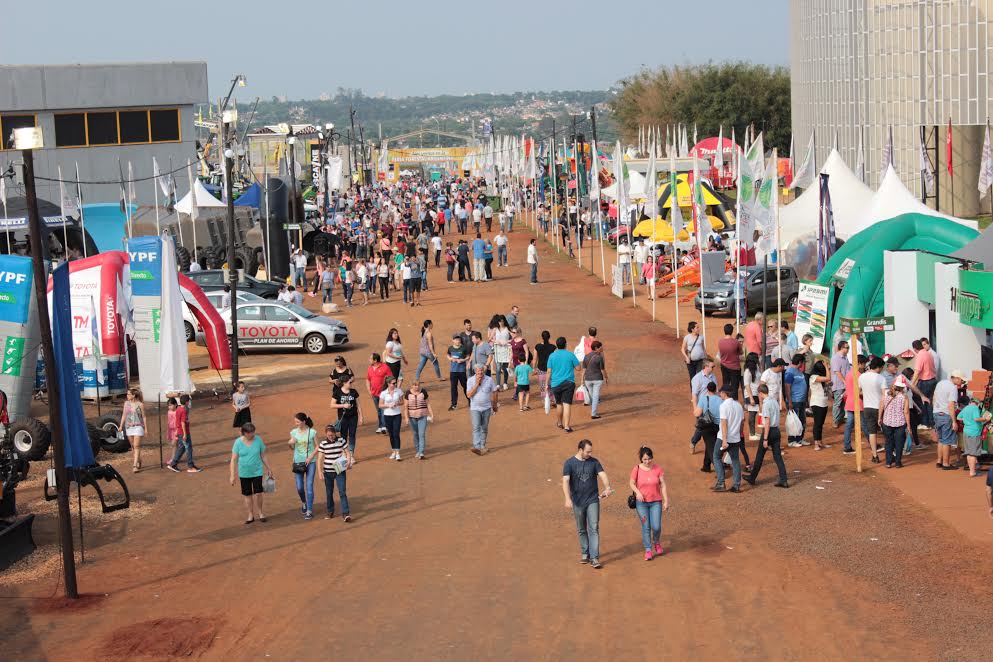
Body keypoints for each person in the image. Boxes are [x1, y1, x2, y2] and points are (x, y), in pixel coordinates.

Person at [562, 439, 613, 569]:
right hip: (578, 502)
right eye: (587, 451)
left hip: (592, 500)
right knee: (581, 528)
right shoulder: (569, 463)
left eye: (591, 451)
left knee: (594, 527)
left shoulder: (594, 462)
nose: (590, 454)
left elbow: (603, 475)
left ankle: (594, 557)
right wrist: (568, 498)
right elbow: (565, 481)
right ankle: (585, 553)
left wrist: (607, 487)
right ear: (580, 450)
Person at [744, 384, 789, 488]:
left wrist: (765, 438)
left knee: (759, 456)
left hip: (768, 432)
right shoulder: (774, 402)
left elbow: (767, 422)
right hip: (776, 431)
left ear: (760, 393)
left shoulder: (766, 404)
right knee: (777, 457)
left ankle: (752, 478)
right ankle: (784, 479)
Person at [629, 446, 670, 561]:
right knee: (646, 526)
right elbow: (632, 483)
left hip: (656, 502)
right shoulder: (636, 469)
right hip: (641, 503)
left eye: (649, 458)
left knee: (656, 526)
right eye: (645, 459)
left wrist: (666, 500)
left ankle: (656, 542)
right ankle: (648, 550)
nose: (647, 461)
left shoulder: (657, 469)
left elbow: (663, 485)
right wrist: (638, 493)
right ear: (641, 459)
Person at [229, 422, 273, 524]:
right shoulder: (238, 443)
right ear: (244, 433)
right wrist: (232, 475)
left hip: (257, 471)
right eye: (249, 433)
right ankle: (250, 515)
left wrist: (269, 468)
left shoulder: (258, 440)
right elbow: (233, 459)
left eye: (253, 432)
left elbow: (263, 455)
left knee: (258, 493)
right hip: (244, 473)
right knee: (247, 494)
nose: (252, 435)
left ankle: (261, 513)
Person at [317, 423, 353, 522]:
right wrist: (320, 472)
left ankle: (346, 514)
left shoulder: (341, 440)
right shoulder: (323, 443)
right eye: (328, 435)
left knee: (342, 492)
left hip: (339, 470)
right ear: (326, 434)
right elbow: (319, 459)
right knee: (329, 493)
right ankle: (330, 511)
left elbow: (347, 452)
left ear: (335, 433)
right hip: (328, 472)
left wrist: (349, 462)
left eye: (332, 435)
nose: (331, 437)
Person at [713, 385, 745, 493]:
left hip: (723, 438)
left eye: (721, 392)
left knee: (716, 457)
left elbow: (724, 423)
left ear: (724, 393)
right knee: (735, 461)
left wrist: (725, 440)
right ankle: (736, 485)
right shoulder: (738, 405)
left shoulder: (724, 406)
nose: (720, 394)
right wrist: (739, 433)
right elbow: (742, 422)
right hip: (735, 438)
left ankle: (721, 483)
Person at [288, 412, 318, 520]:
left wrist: (310, 457)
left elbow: (317, 447)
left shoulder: (312, 432)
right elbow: (292, 448)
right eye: (295, 421)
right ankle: (304, 502)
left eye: (297, 421)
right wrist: (290, 444)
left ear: (304, 421)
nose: (296, 423)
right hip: (298, 462)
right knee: (300, 487)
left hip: (311, 462)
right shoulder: (293, 432)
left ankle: (309, 510)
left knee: (309, 486)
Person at [547, 336, 580, 433]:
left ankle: (559, 422)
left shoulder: (552, 356)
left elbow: (549, 371)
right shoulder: (571, 355)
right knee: (567, 404)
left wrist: (546, 384)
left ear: (557, 345)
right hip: (569, 383)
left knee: (559, 404)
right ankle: (567, 426)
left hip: (555, 384)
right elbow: (578, 368)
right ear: (566, 344)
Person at [933, 370, 965, 470]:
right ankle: (946, 464)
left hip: (937, 413)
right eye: (961, 380)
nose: (962, 382)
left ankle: (939, 461)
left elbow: (934, 397)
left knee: (941, 439)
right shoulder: (953, 388)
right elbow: (951, 404)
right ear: (956, 378)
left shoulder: (940, 383)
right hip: (946, 414)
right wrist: (954, 421)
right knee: (947, 441)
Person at [879, 379, 912, 469]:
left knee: (888, 442)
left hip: (887, 422)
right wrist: (909, 425)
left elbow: (881, 406)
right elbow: (906, 412)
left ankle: (888, 462)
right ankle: (898, 462)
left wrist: (879, 418)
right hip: (900, 423)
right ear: (902, 388)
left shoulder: (886, 394)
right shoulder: (904, 397)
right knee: (899, 443)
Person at [859, 356, 886, 462]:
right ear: (879, 367)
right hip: (879, 407)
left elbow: (859, 391)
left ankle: (875, 455)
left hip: (867, 407)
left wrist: (865, 395)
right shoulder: (881, 378)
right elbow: (884, 395)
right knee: (887, 432)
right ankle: (891, 453)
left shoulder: (862, 377)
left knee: (872, 432)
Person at [466, 365, 498, 455]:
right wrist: (476, 384)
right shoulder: (470, 380)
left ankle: (482, 445)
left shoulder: (489, 380)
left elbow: (495, 392)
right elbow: (469, 395)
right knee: (476, 427)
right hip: (475, 408)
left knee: (484, 427)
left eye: (481, 371)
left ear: (484, 371)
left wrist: (495, 405)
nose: (480, 373)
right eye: (478, 371)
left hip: (487, 408)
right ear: (475, 371)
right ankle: (477, 446)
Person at [167, 393, 201, 473]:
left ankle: (173, 464)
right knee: (189, 449)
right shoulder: (183, 410)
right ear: (186, 402)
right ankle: (190, 466)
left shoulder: (178, 409)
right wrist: (185, 434)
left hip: (179, 432)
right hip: (183, 432)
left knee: (181, 448)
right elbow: (182, 422)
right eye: (188, 401)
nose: (189, 402)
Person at [689, 360, 718, 452]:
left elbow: (716, 392)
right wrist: (695, 409)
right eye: (712, 367)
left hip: (713, 406)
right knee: (701, 428)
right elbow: (694, 395)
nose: (713, 368)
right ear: (706, 367)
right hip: (702, 407)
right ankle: (693, 442)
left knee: (715, 426)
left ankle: (713, 447)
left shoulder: (713, 377)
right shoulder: (697, 378)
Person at [958, 395, 990, 477]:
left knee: (969, 452)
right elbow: (976, 419)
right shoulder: (975, 408)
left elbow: (959, 417)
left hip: (966, 431)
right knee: (973, 453)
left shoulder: (966, 408)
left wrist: (967, 421)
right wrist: (985, 419)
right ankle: (972, 472)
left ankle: (973, 469)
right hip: (974, 432)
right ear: (977, 403)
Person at [330, 375, 363, 455]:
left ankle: (351, 454)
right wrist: (343, 405)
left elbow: (358, 405)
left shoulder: (354, 392)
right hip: (343, 417)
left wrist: (361, 416)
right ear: (344, 383)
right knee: (343, 435)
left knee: (352, 435)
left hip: (353, 417)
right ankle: (345, 452)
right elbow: (332, 405)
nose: (351, 383)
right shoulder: (337, 392)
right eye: (349, 382)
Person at [842, 354, 868, 455]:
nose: (864, 366)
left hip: (850, 402)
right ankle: (872, 443)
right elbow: (860, 391)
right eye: (864, 364)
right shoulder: (859, 375)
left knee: (849, 425)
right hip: (858, 402)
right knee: (864, 424)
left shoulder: (849, 373)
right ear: (860, 364)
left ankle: (847, 447)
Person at [694, 381, 722, 473]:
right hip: (718, 426)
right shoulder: (720, 400)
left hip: (707, 427)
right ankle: (706, 466)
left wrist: (695, 409)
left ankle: (720, 470)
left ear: (707, 389)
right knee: (709, 444)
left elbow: (697, 413)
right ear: (715, 389)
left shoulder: (703, 399)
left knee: (711, 448)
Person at [403, 380, 434, 460]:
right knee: (415, 434)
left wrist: (431, 414)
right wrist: (406, 418)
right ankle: (417, 450)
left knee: (421, 434)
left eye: (418, 385)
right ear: (411, 386)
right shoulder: (408, 393)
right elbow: (406, 407)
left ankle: (421, 452)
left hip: (422, 416)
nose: (416, 386)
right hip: (412, 417)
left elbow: (428, 404)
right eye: (415, 385)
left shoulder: (423, 392)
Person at [911, 339, 938, 430]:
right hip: (932, 380)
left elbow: (917, 371)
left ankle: (925, 423)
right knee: (929, 402)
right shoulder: (928, 353)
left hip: (925, 381)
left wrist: (912, 383)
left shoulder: (920, 355)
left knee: (922, 402)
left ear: (915, 348)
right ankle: (931, 423)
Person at [784, 354, 809, 447]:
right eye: (803, 362)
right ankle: (791, 441)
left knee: (802, 421)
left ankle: (799, 439)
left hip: (801, 400)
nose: (803, 364)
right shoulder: (790, 372)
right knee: (794, 421)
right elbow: (787, 387)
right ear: (800, 362)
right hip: (794, 401)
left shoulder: (798, 371)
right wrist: (789, 401)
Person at [808, 361, 833, 451]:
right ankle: (816, 443)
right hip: (817, 403)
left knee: (821, 423)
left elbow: (828, 381)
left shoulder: (820, 377)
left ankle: (819, 442)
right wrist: (827, 367)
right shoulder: (813, 377)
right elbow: (828, 378)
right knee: (817, 424)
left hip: (823, 403)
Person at [366, 353, 393, 434]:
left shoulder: (385, 367)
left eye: (370, 359)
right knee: (378, 410)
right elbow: (367, 379)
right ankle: (380, 426)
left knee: (382, 409)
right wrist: (369, 390)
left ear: (375, 360)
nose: (369, 360)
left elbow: (391, 378)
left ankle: (384, 426)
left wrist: (389, 390)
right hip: (374, 393)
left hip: (383, 393)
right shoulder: (370, 368)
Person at [120, 388, 146, 473]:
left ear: (133, 395)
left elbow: (144, 417)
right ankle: (138, 459)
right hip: (129, 427)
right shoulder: (126, 403)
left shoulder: (140, 404)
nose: (127, 396)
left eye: (128, 394)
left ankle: (134, 465)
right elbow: (124, 415)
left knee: (136, 446)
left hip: (138, 427)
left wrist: (146, 429)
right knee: (133, 446)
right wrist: (120, 426)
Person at [379, 377, 404, 461]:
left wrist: (397, 403)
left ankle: (397, 453)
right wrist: (388, 405)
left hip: (397, 415)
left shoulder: (399, 391)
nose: (395, 384)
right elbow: (380, 405)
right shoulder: (383, 393)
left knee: (396, 433)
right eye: (393, 383)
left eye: (395, 383)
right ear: (388, 384)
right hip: (387, 415)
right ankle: (393, 450)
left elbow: (402, 402)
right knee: (391, 434)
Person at [582, 341, 608, 419]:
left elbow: (584, 369)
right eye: (601, 347)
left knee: (593, 396)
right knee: (595, 396)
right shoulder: (599, 357)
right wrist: (606, 377)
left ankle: (594, 411)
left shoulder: (586, 356)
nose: (602, 348)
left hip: (588, 380)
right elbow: (603, 370)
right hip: (597, 379)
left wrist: (582, 379)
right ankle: (593, 413)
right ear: (596, 348)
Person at [716, 324, 742, 400]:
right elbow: (741, 352)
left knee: (726, 384)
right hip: (735, 367)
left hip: (724, 366)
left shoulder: (720, 342)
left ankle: (725, 400)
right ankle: (735, 401)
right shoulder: (736, 342)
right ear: (732, 331)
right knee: (735, 386)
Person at [830, 339, 851, 428]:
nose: (848, 349)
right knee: (837, 403)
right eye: (846, 348)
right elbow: (837, 372)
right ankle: (835, 420)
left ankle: (840, 418)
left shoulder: (845, 358)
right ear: (841, 348)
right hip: (838, 384)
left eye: (848, 348)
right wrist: (844, 381)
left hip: (844, 384)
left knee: (843, 403)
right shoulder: (836, 358)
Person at [447, 334, 470, 411]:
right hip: (453, 371)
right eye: (456, 339)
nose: (457, 341)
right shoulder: (450, 348)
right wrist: (450, 359)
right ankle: (454, 404)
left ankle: (470, 400)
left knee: (465, 386)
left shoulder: (463, 348)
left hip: (461, 371)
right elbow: (448, 355)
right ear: (453, 340)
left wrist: (462, 360)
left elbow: (468, 356)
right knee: (453, 388)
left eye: (458, 339)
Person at [742, 352, 761, 440]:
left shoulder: (756, 368)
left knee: (755, 412)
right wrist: (751, 398)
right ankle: (751, 433)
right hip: (751, 394)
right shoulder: (747, 371)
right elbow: (746, 385)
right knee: (752, 414)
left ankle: (753, 432)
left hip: (757, 393)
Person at [534, 330, 556, 407]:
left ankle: (545, 402)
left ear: (542, 337)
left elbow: (535, 359)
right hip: (551, 369)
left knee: (543, 386)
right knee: (551, 385)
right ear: (549, 337)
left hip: (541, 369)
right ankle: (553, 400)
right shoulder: (553, 347)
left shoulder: (537, 346)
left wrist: (534, 369)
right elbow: (554, 359)